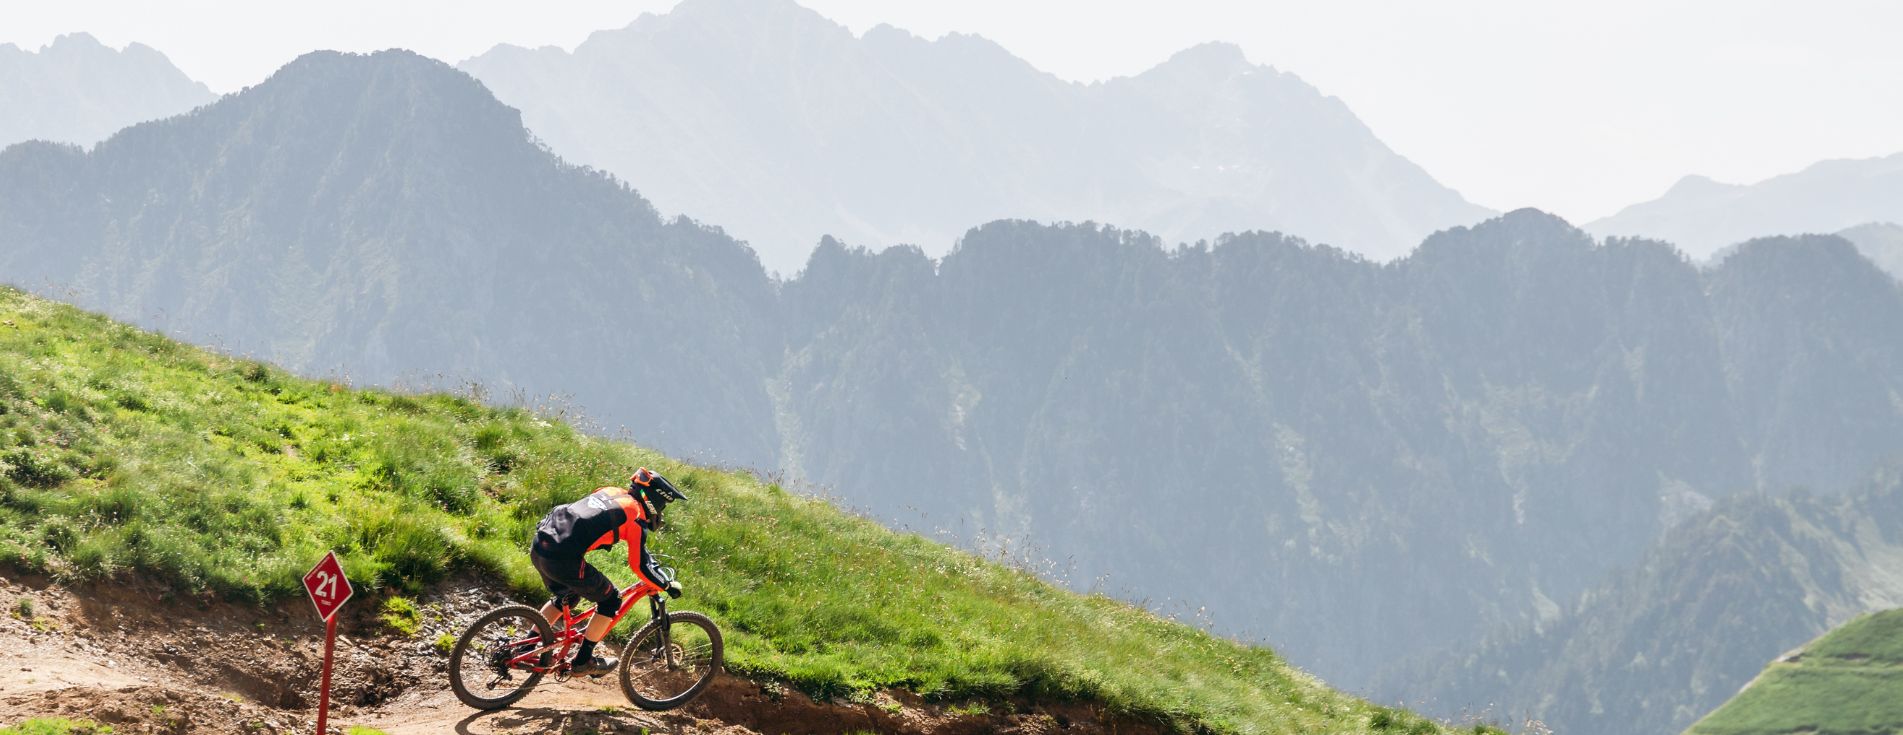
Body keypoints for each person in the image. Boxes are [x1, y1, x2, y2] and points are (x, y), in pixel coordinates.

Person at [529, 467, 686, 676]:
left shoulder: (611, 491)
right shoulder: (636, 517)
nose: (662, 511)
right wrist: (665, 585)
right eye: (663, 505)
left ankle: (526, 645)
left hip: (541, 543)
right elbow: (639, 566)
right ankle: (583, 661)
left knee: (567, 595)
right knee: (611, 600)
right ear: (654, 501)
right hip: (563, 559)